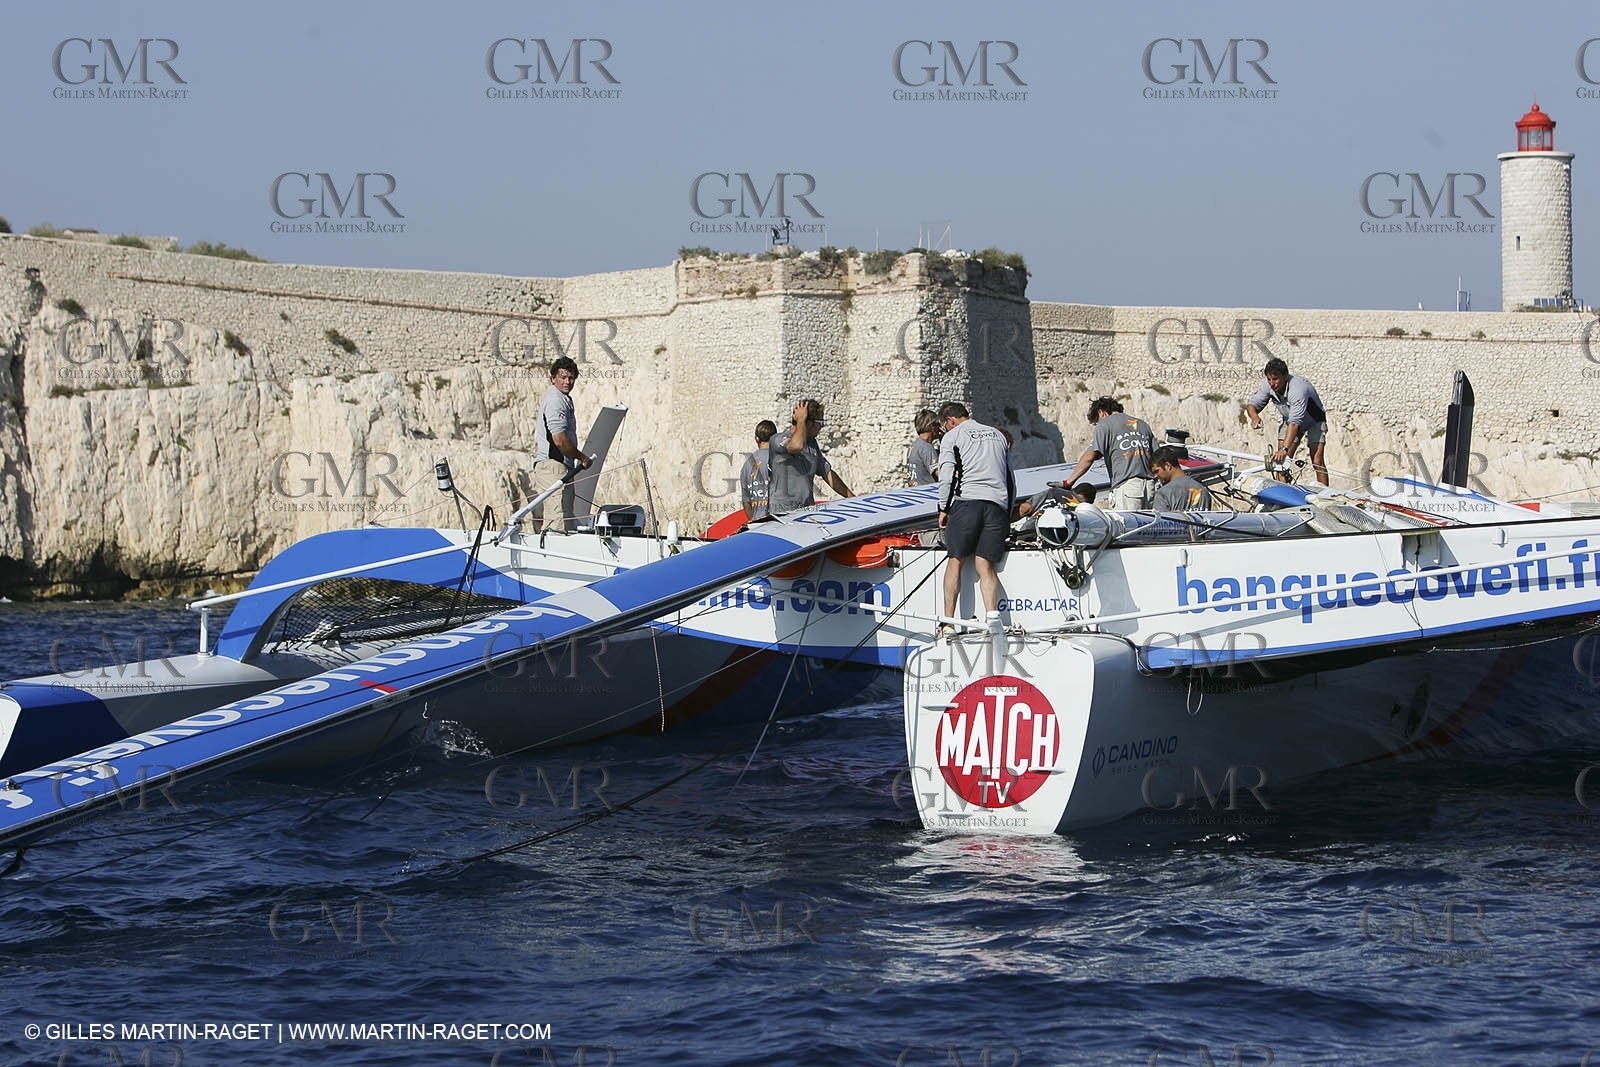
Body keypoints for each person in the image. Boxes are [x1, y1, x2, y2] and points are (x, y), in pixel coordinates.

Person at [936, 401, 1015, 626]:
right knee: (984, 565)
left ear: (950, 421)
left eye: (944, 427)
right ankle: (992, 618)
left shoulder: (952, 437)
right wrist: (1006, 512)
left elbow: (947, 477)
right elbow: (1009, 478)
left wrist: (943, 508)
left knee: (955, 560)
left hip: (968, 502)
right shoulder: (997, 435)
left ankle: (948, 622)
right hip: (997, 505)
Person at [1246, 357, 1329, 486]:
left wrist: (1284, 448)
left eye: (1275, 379)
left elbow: (1295, 423)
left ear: (1285, 377)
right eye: (1269, 379)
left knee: (1317, 459)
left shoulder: (1298, 388)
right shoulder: (1268, 386)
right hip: (1289, 419)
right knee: (1280, 462)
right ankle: (1284, 492)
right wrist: (1254, 417)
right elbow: (1252, 405)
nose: (1272, 383)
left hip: (1314, 421)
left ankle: (1325, 493)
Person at [532, 356, 592, 533]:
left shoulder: (564, 399)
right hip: (553, 465)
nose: (567, 381)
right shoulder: (555, 401)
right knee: (556, 520)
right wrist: (583, 458)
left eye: (571, 377)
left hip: (562, 466)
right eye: (563, 377)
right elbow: (559, 440)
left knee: (566, 518)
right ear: (553, 379)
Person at [1064, 397, 1156, 509]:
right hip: (1150, 487)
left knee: (1128, 526)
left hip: (1127, 487)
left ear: (1101, 412)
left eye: (1096, 421)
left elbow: (1090, 456)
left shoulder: (1105, 424)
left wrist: (1069, 482)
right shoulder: (1142, 424)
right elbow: (1158, 457)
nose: (1097, 424)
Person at [768, 399, 853, 516]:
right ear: (808, 423)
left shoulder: (812, 444)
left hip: (806, 511)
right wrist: (801, 420)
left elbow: (827, 473)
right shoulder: (778, 440)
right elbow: (796, 446)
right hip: (782, 513)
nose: (822, 427)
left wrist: (852, 498)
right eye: (820, 422)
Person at [1150, 445, 1214, 511]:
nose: (1155, 476)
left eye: (1156, 471)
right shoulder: (1203, 492)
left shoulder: (1163, 494)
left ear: (1168, 466)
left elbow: (1160, 520)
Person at [741, 420, 777, 521]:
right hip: (777, 522)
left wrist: (753, 520)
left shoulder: (747, 465)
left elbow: (746, 502)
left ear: (757, 438)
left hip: (757, 523)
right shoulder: (779, 460)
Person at [907, 409, 939, 486]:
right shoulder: (927, 448)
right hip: (928, 493)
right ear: (932, 427)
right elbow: (939, 473)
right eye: (937, 425)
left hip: (915, 492)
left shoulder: (914, 446)